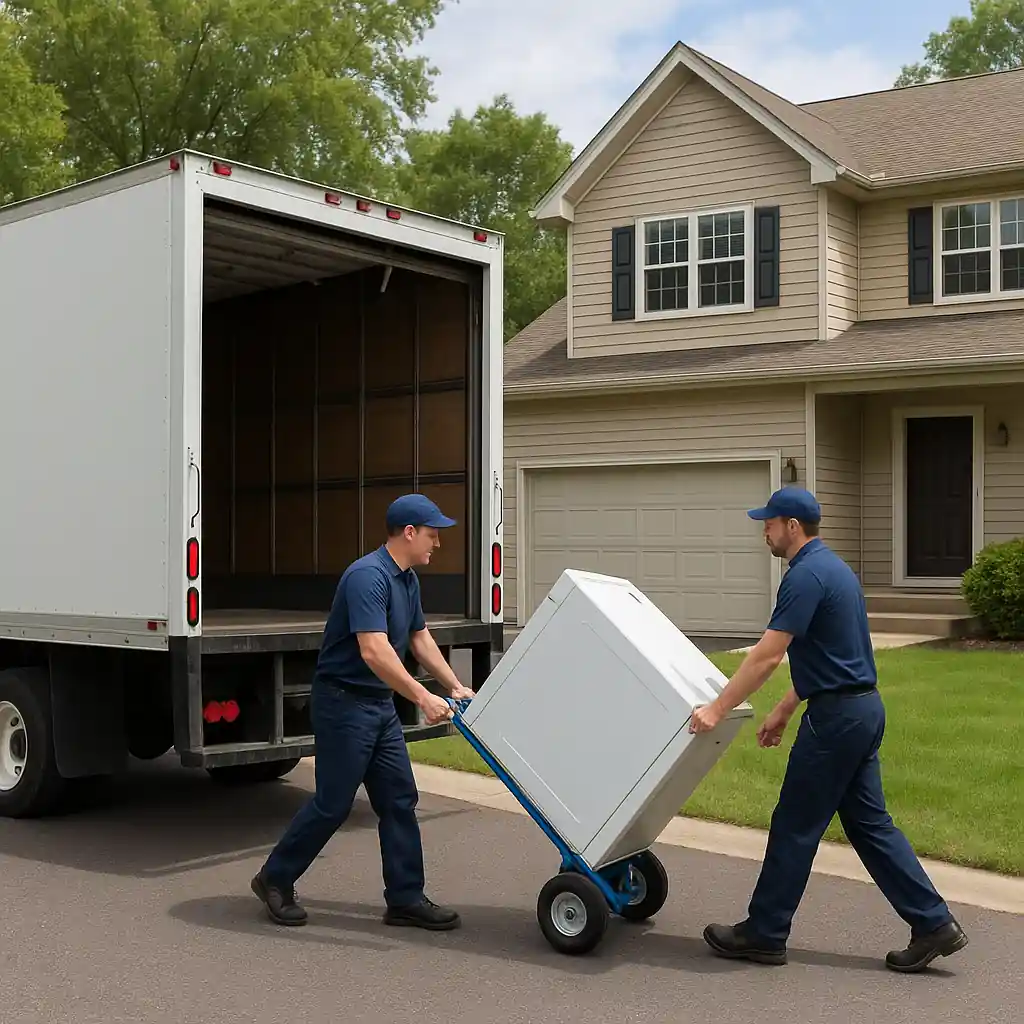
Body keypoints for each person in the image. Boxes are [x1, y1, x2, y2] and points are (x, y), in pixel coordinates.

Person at [689, 486, 968, 974]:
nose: (764, 532)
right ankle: (934, 924)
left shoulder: (803, 577)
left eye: (769, 523)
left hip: (837, 721)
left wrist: (718, 707)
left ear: (792, 526)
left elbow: (767, 655)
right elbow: (833, 653)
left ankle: (764, 932)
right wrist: (785, 708)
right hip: (862, 710)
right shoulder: (835, 570)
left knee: (795, 825)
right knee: (869, 825)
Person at [251, 493, 475, 931]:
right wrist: (421, 697)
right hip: (343, 704)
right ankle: (274, 878)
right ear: (408, 533)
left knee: (398, 799)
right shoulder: (367, 577)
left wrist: (453, 685)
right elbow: (373, 650)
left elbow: (419, 638)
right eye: (432, 535)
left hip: (378, 706)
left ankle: (405, 898)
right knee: (333, 804)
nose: (437, 543)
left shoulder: (407, 579)